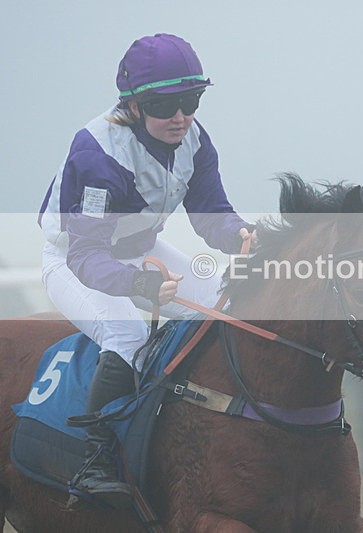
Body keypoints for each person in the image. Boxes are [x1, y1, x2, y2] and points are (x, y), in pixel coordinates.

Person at [38, 33, 252, 508]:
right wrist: (140, 284)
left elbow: (211, 211)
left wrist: (242, 235)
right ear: (133, 106)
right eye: (163, 105)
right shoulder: (98, 153)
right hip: (75, 259)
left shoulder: (194, 139)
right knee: (128, 334)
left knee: (227, 304)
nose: (180, 116)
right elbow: (87, 255)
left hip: (141, 248)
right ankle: (94, 462)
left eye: (190, 101)